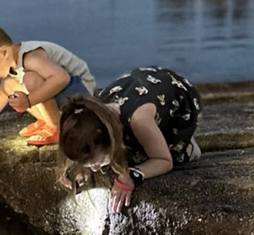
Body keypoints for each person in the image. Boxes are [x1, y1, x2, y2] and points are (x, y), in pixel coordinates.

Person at [58, 65, 202, 213]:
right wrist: (82, 166)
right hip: (139, 88)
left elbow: (164, 161)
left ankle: (188, 147)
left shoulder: (140, 121)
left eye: (97, 162)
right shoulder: (92, 115)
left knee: (145, 157)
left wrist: (131, 176)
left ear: (110, 140)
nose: (95, 169)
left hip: (179, 103)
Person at [0, 24, 96, 147]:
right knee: (9, 84)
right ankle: (48, 120)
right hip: (66, 95)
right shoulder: (13, 62)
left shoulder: (31, 58)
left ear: (4, 52)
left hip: (80, 91)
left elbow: (62, 78)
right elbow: (4, 91)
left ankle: (57, 128)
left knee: (31, 80)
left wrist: (28, 101)